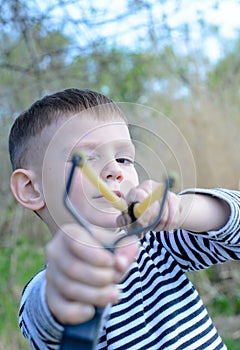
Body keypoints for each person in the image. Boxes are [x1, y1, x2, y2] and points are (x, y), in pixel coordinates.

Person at [9, 88, 240, 350]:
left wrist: (180, 210)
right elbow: (49, 317)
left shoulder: (157, 246)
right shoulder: (43, 290)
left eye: (123, 158)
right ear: (31, 188)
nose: (115, 170)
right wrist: (67, 284)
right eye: (85, 158)